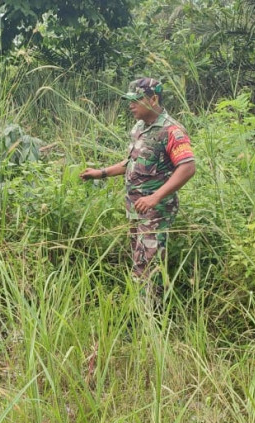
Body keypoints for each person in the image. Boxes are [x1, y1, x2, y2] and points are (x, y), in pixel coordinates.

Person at [80, 77, 196, 308]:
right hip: (136, 209)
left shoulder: (171, 131)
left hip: (155, 212)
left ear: (154, 99)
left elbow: (188, 167)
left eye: (136, 100)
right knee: (139, 259)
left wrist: (155, 197)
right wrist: (101, 173)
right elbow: (132, 162)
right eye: (129, 100)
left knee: (149, 264)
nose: (131, 105)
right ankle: (141, 312)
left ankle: (151, 319)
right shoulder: (139, 128)